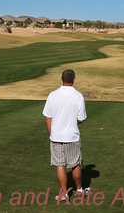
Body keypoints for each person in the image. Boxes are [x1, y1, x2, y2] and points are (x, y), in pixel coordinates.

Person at [42, 69, 87, 202]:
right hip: (72, 136)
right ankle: (79, 190)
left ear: (61, 79)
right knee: (75, 164)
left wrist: (51, 134)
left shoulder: (52, 95)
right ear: (74, 80)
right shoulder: (78, 96)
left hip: (56, 137)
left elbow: (47, 118)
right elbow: (81, 119)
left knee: (60, 165)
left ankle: (65, 194)